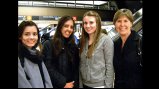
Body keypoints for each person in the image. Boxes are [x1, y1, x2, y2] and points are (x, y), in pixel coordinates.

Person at [79, 10, 114, 88]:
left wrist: (108, 86)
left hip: (100, 85)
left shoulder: (106, 40)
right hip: (85, 84)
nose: (88, 26)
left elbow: (109, 66)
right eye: (85, 23)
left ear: (97, 24)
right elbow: (81, 65)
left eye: (91, 22)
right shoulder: (84, 41)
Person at [42, 16, 79, 88]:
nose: (69, 29)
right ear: (60, 27)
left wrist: (74, 83)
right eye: (66, 26)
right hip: (56, 85)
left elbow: (76, 67)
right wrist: (63, 84)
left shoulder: (73, 46)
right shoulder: (49, 44)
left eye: (71, 27)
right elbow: (48, 67)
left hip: (72, 85)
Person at [113, 8, 143, 88]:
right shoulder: (115, 44)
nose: (122, 24)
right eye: (119, 21)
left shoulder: (140, 42)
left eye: (125, 21)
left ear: (131, 23)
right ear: (115, 24)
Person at [18, 21, 53, 88]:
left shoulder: (37, 55)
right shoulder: (19, 57)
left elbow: (47, 80)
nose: (31, 37)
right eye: (27, 34)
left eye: (34, 34)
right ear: (20, 36)